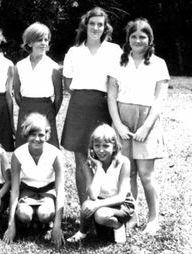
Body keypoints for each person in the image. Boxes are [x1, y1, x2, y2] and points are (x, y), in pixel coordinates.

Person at [107, 18, 170, 235]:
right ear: (128, 39)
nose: (137, 40)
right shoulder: (119, 62)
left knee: (145, 173)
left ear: (149, 39)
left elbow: (160, 100)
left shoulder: (159, 63)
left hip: (147, 121)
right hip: (122, 120)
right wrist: (118, 125)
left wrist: (145, 128)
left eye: (142, 36)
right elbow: (111, 97)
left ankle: (153, 219)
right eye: (133, 36)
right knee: (128, 171)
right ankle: (131, 216)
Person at [61, 7, 122, 206]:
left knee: (104, 157)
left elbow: (118, 81)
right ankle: (84, 208)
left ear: (105, 28)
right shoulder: (74, 51)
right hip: (79, 106)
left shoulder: (114, 51)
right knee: (80, 161)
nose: (96, 28)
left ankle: (104, 205)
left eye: (100, 24)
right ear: (85, 25)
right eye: (92, 23)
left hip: (103, 106)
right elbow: (68, 84)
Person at [3, 113, 65, 248]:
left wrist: (57, 225)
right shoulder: (18, 154)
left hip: (47, 191)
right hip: (27, 191)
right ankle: (31, 220)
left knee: (45, 214)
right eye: (33, 134)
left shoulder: (56, 154)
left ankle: (43, 220)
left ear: (47, 135)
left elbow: (60, 190)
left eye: (41, 135)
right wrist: (11, 224)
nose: (37, 139)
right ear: (26, 134)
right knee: (24, 215)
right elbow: (14, 190)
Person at [66, 124, 134, 243]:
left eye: (106, 146)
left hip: (122, 205)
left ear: (114, 147)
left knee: (101, 215)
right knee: (86, 205)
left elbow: (121, 197)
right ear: (92, 147)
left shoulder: (123, 162)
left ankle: (118, 226)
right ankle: (82, 232)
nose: (101, 150)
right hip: (101, 201)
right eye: (97, 146)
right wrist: (99, 167)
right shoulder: (89, 164)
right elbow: (92, 195)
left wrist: (97, 205)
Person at [14, 22, 62, 148]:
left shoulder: (53, 66)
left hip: (46, 110)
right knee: (25, 147)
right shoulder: (20, 66)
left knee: (46, 147)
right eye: (39, 40)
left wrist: (50, 113)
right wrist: (26, 106)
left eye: (46, 40)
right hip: (26, 109)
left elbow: (58, 96)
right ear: (29, 43)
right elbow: (17, 94)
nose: (43, 43)